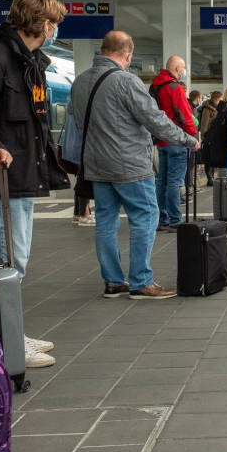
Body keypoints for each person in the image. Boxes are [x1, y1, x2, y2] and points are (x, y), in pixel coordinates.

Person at [0, 0, 70, 368]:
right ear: (43, 23)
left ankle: (12, 331)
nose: (55, 29)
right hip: (3, 176)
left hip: (25, 175)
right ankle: (5, 342)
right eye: (54, 23)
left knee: (18, 259)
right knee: (6, 260)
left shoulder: (29, 63)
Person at [72, 32, 199, 300]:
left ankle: (114, 282)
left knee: (106, 220)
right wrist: (189, 140)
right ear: (127, 55)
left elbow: (80, 123)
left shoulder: (80, 82)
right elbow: (156, 121)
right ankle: (141, 281)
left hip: (96, 164)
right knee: (146, 216)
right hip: (129, 164)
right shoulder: (126, 81)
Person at [150, 56, 197, 230]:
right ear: (177, 69)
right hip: (176, 140)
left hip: (160, 141)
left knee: (160, 181)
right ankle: (175, 219)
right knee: (175, 182)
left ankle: (162, 219)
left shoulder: (155, 86)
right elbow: (185, 116)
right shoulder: (175, 88)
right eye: (183, 69)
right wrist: (192, 137)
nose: (184, 72)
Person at [199, 91, 222, 186]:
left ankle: (212, 176)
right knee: (208, 158)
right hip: (209, 137)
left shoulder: (218, 108)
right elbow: (204, 125)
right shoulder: (207, 109)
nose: (222, 100)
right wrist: (204, 138)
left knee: (213, 157)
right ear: (216, 99)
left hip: (215, 137)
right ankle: (209, 177)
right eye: (221, 98)